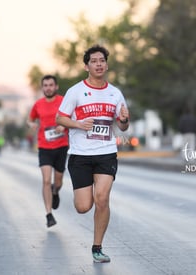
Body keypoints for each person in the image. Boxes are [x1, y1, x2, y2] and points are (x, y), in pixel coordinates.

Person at [56, 45, 130, 263]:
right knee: (83, 207)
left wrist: (124, 120)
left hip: (106, 152)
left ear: (107, 64)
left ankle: (97, 247)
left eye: (102, 60)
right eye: (94, 61)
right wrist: (79, 124)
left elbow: (123, 126)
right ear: (87, 65)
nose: (99, 64)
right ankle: (82, 196)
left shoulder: (115, 93)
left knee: (102, 198)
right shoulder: (75, 91)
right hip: (80, 155)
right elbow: (60, 118)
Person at [27, 75, 69, 228]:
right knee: (46, 180)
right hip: (44, 147)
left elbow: (71, 117)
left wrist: (64, 126)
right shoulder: (38, 104)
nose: (48, 88)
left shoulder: (64, 101)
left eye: (51, 85)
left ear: (56, 87)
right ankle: (49, 215)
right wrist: (31, 124)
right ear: (42, 88)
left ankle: (56, 191)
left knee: (57, 182)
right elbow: (30, 119)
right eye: (45, 85)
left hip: (61, 146)